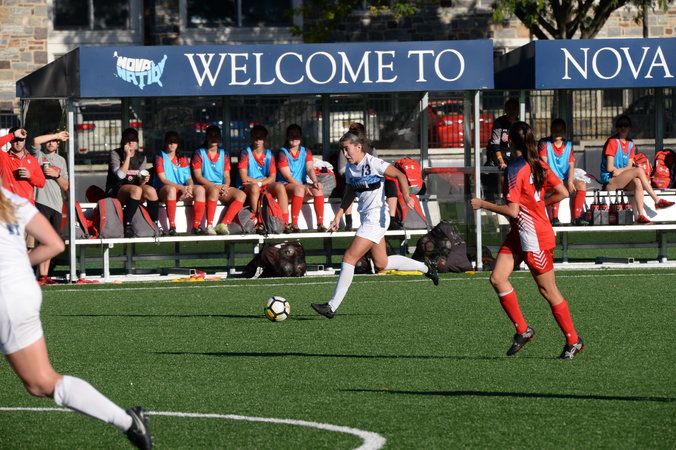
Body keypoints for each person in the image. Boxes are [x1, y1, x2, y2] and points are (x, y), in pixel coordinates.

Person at [0, 181, 153, 448]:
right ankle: (129, 422)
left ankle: (128, 422)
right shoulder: (11, 199)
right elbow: (54, 244)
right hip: (21, 290)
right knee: (39, 384)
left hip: (6, 298)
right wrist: (15, 267)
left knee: (42, 382)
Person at [471, 121, 584, 359]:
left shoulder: (515, 168)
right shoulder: (539, 163)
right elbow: (563, 192)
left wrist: (482, 204)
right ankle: (523, 330)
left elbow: (512, 210)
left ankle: (573, 340)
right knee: (497, 278)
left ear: (511, 142)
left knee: (548, 291)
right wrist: (540, 205)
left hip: (534, 237)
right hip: (519, 233)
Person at [310, 132, 438, 319]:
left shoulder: (374, 163)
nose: (345, 154)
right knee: (381, 263)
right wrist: (338, 216)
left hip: (376, 219)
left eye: (347, 149)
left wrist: (406, 195)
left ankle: (331, 306)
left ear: (358, 147)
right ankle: (427, 267)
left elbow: (400, 175)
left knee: (349, 258)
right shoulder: (351, 168)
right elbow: (350, 193)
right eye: (342, 150)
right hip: (367, 219)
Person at [600, 115, 674, 224]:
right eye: (620, 125)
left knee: (637, 182)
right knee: (639, 170)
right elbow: (610, 168)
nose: (623, 128)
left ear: (630, 127)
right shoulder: (613, 142)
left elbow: (629, 166)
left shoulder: (630, 143)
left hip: (622, 180)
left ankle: (640, 216)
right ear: (617, 127)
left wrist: (620, 171)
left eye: (626, 125)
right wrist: (622, 171)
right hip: (610, 182)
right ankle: (657, 200)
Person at [336, 122, 401, 230]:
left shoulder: (371, 150)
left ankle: (392, 219)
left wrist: (407, 196)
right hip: (355, 183)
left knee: (390, 184)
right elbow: (341, 169)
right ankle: (349, 220)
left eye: (360, 135)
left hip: (374, 212)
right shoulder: (347, 150)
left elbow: (384, 169)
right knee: (348, 186)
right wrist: (356, 174)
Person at [28, 129, 71, 284]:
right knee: (43, 240)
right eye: (49, 140)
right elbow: (35, 141)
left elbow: (66, 186)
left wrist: (56, 175)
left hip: (57, 206)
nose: (51, 143)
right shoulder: (39, 156)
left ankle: (44, 275)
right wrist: (56, 135)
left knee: (52, 242)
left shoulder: (61, 160)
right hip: (41, 202)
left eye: (54, 141)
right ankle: (41, 275)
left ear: (58, 144)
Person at [191, 125, 246, 235]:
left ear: (220, 138)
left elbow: (226, 175)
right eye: (211, 135)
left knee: (241, 195)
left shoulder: (224, 154)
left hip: (220, 187)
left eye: (216, 135)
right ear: (206, 137)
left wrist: (226, 185)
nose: (213, 138)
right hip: (205, 186)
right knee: (214, 190)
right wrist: (215, 186)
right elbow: (198, 177)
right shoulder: (199, 153)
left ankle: (223, 224)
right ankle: (209, 225)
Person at [105, 128, 160, 238]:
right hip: (116, 189)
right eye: (128, 140)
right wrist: (128, 156)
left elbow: (140, 181)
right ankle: (127, 225)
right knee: (136, 190)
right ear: (123, 141)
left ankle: (154, 224)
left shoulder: (141, 157)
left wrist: (143, 180)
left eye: (133, 140)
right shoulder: (115, 154)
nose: (131, 142)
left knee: (151, 191)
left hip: (135, 190)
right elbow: (120, 176)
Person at [237, 124, 290, 233]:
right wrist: (261, 181)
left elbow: (273, 178)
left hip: (262, 184)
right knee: (255, 188)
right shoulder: (245, 153)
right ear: (251, 137)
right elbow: (244, 178)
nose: (257, 140)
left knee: (280, 186)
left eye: (260, 137)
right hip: (248, 186)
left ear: (265, 139)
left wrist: (261, 182)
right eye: (255, 137)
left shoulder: (269, 154)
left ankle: (284, 221)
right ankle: (258, 221)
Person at [152, 131, 206, 236]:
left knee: (200, 189)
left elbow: (188, 178)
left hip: (181, 189)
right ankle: (172, 227)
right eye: (169, 141)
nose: (172, 144)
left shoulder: (182, 157)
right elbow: (163, 180)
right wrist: (181, 187)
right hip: (163, 190)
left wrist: (189, 187)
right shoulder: (159, 157)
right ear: (165, 142)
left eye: (175, 142)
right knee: (171, 189)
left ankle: (196, 226)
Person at [538, 119, 589, 226]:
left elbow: (571, 165)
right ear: (551, 130)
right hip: (548, 179)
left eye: (560, 130)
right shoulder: (544, 143)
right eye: (555, 129)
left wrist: (570, 181)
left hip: (563, 179)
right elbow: (544, 166)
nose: (557, 132)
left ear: (564, 131)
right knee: (558, 185)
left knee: (581, 184)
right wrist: (555, 179)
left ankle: (576, 217)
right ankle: (554, 218)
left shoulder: (568, 145)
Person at [276, 124, 326, 232]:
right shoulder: (282, 152)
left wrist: (315, 181)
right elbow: (287, 177)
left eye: (297, 135)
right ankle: (294, 224)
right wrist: (303, 186)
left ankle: (320, 223)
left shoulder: (306, 151)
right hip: (286, 186)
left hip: (301, 185)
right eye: (291, 135)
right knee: (299, 189)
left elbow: (310, 169)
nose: (294, 138)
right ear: (287, 137)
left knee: (318, 189)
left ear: (301, 137)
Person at [0, 127, 46, 205]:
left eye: (21, 139)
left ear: (24, 140)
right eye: (15, 140)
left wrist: (30, 176)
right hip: (8, 206)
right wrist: (13, 135)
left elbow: (42, 183)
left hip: (27, 207)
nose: (18, 143)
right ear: (10, 141)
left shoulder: (32, 160)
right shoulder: (3, 157)